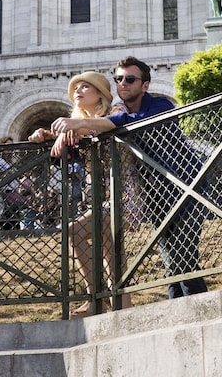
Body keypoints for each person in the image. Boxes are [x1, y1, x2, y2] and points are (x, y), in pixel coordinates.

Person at [52, 56, 209, 299]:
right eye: (119, 79)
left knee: (183, 257)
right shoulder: (119, 112)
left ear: (144, 85)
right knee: (170, 261)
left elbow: (133, 122)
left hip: (186, 186)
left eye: (130, 79)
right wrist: (60, 134)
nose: (123, 83)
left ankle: (198, 309)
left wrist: (80, 122)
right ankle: (177, 309)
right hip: (156, 193)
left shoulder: (160, 105)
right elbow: (95, 134)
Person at [29, 71, 130, 316]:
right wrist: (43, 133)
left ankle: (96, 299)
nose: (78, 91)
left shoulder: (115, 112)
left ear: (100, 94)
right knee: (111, 249)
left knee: (75, 232)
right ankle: (123, 307)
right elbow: (64, 136)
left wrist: (77, 127)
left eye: (86, 86)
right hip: (100, 197)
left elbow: (106, 128)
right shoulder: (77, 123)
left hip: (125, 194)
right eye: (76, 87)